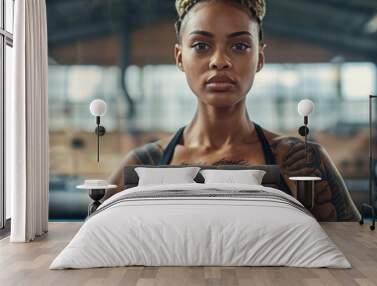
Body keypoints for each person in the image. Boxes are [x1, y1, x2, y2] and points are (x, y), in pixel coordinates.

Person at [107, 0, 360, 221]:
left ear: (259, 59)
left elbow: (354, 247)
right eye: (201, 45)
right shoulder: (142, 163)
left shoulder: (304, 161)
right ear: (179, 57)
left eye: (239, 46)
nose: (220, 60)